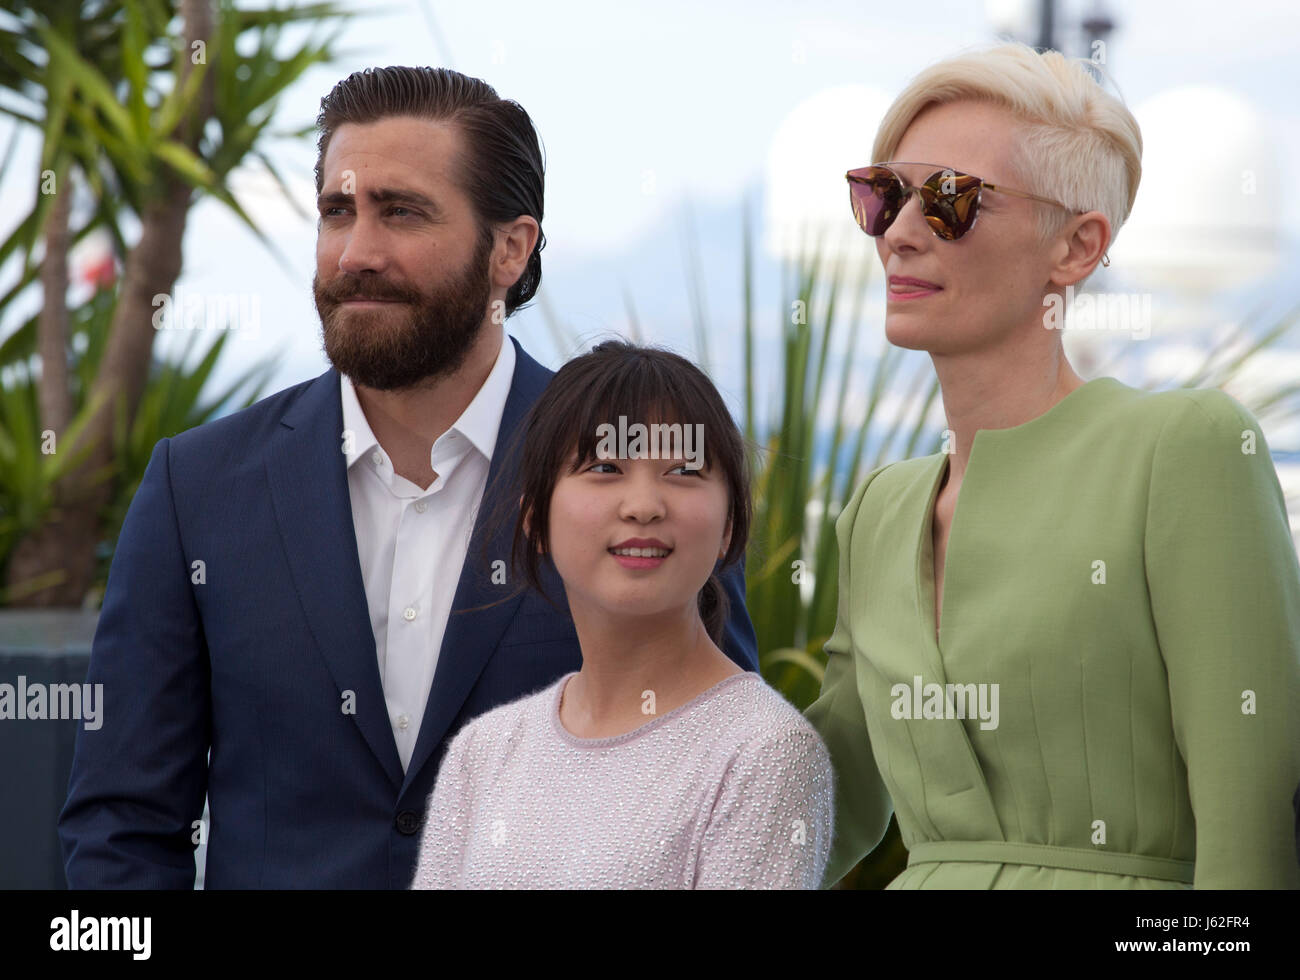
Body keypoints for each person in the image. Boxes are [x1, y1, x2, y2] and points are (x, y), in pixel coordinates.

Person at [57, 67, 758, 889]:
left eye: (401, 211)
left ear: (511, 247)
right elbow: (122, 824)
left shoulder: (646, 481)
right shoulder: (198, 489)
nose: (357, 253)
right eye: (337, 213)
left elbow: (717, 783)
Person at [806, 43, 1300, 889]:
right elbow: (813, 809)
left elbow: (1251, 830)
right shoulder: (878, 514)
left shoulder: (1185, 450)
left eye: (952, 199)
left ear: (1075, 249)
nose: (901, 230)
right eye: (882, 194)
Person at [410, 341, 833, 888]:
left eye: (683, 470)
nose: (643, 505)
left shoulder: (763, 752)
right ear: (534, 517)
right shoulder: (484, 751)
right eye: (606, 466)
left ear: (730, 524)